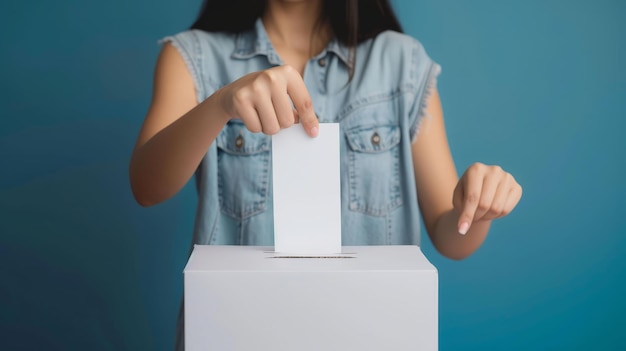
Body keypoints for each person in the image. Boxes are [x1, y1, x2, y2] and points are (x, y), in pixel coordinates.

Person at [130, 0, 522, 349]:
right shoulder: (193, 55)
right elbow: (147, 187)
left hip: (371, 333)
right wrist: (222, 103)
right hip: (235, 332)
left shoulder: (403, 63)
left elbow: (450, 236)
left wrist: (479, 206)